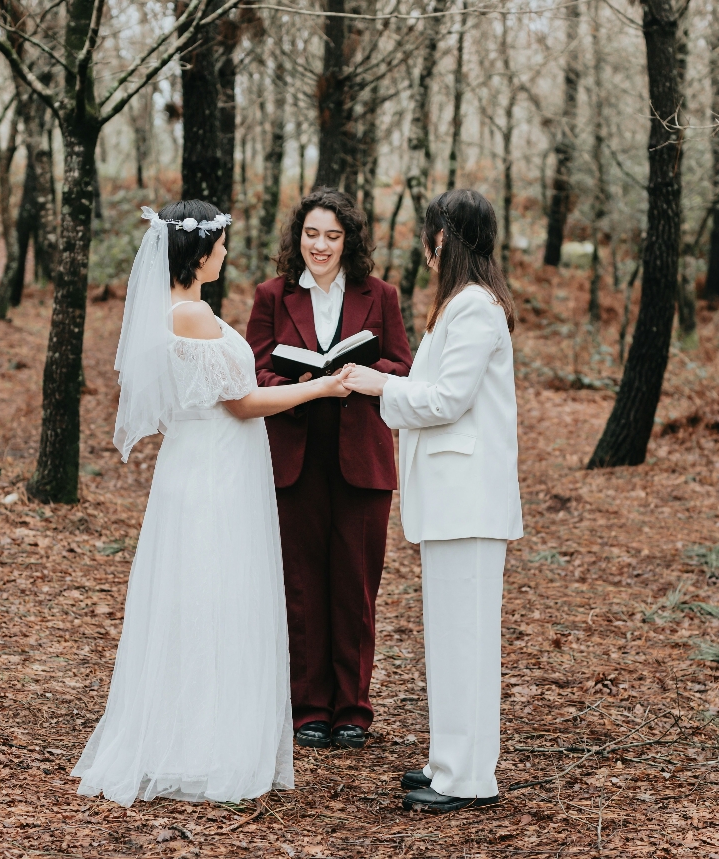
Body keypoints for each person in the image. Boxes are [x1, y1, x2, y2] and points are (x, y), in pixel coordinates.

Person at [72, 201, 353, 806]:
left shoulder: (179, 310)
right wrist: (323, 385)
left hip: (205, 464)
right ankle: (203, 746)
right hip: (213, 474)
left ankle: (195, 735)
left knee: (200, 596)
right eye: (221, 245)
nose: (226, 253)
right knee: (212, 597)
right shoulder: (191, 314)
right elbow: (243, 402)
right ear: (199, 254)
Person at [342, 188, 522, 813]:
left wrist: (377, 385)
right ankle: (449, 763)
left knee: (466, 640)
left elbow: (446, 399)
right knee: (449, 639)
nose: (426, 247)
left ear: (447, 239)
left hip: (468, 500)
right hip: (452, 500)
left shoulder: (475, 308)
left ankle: (470, 778)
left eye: (432, 234)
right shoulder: (459, 306)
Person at [245, 189, 413, 751]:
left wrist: (362, 371)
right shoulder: (272, 296)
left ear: (350, 242)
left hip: (361, 460)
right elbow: (253, 373)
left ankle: (353, 710)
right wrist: (298, 385)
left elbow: (402, 366)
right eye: (312, 234)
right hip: (294, 456)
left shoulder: (381, 295)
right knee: (301, 586)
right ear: (299, 237)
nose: (320, 245)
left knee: (355, 587)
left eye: (333, 236)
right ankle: (308, 708)